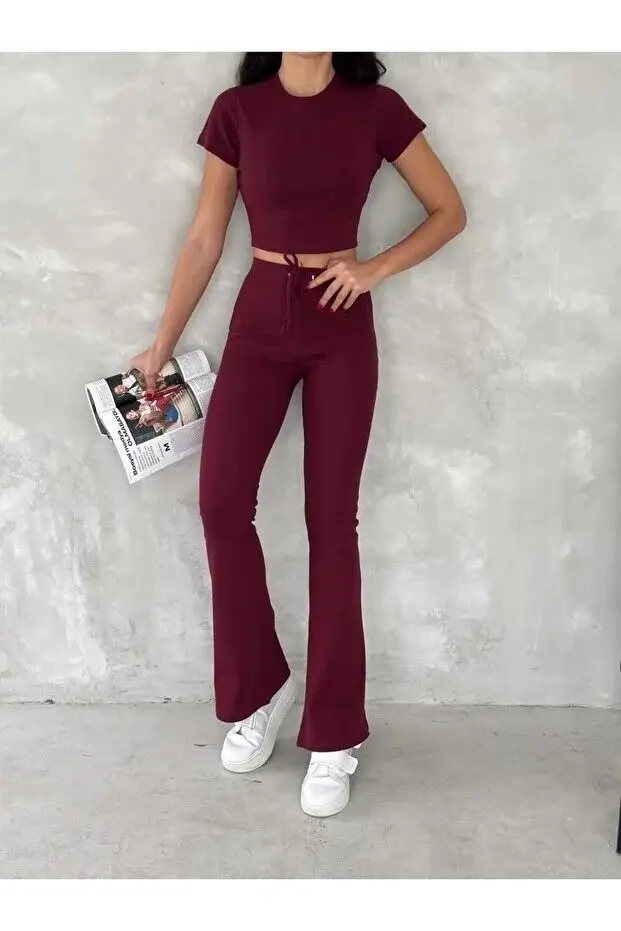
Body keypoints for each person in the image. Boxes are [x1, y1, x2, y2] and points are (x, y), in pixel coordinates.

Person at [130, 52, 466, 818]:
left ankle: (335, 733)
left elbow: (448, 210)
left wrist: (373, 269)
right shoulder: (238, 110)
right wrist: (160, 345)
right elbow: (205, 237)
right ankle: (261, 688)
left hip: (340, 322)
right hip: (259, 314)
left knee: (331, 524)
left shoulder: (375, 108)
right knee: (220, 503)